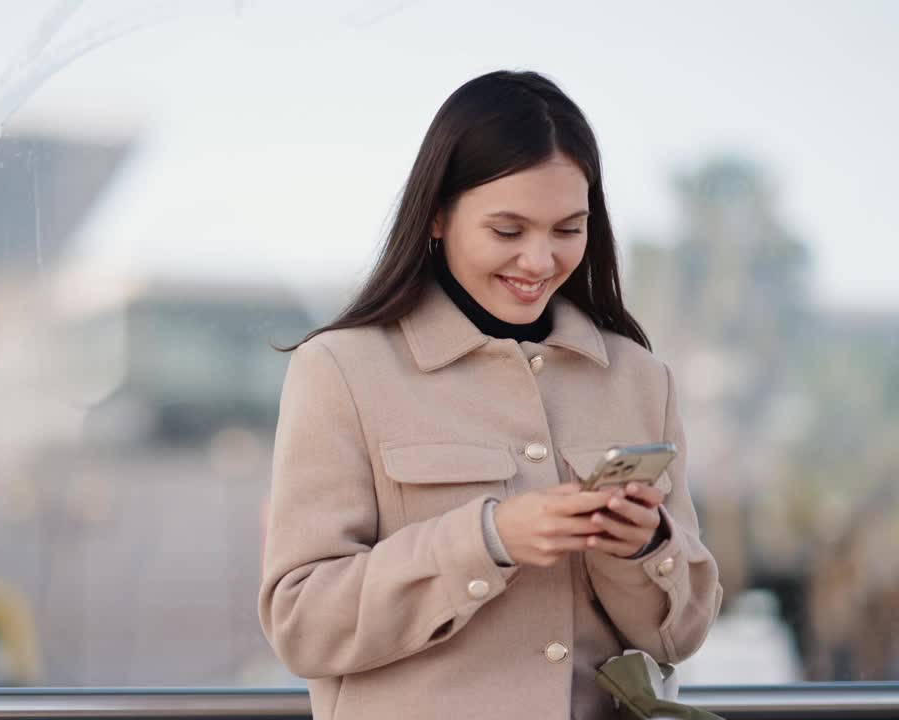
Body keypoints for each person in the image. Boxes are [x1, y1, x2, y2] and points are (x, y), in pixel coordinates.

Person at [257, 70, 724, 719]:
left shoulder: (641, 380)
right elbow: (303, 623)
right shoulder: (341, 370)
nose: (539, 261)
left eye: (568, 229)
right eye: (508, 231)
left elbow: (680, 635)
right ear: (438, 216)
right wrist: (489, 539)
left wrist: (643, 548)